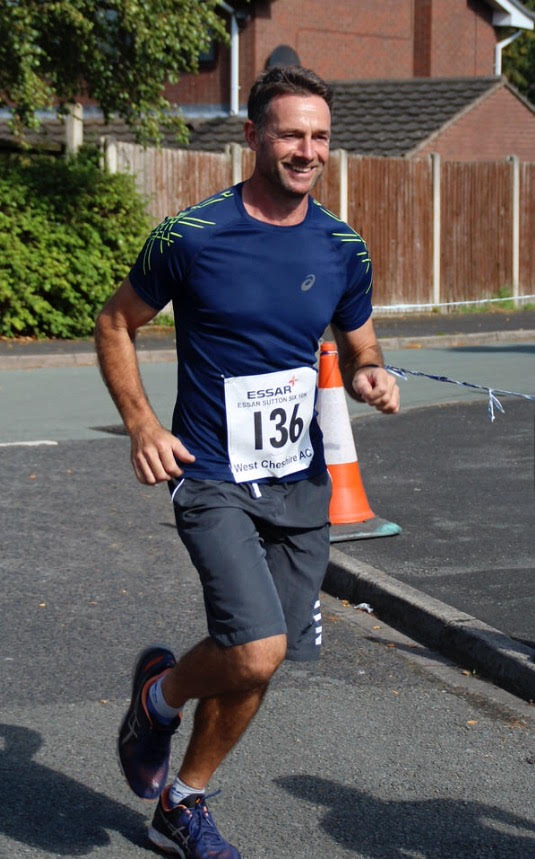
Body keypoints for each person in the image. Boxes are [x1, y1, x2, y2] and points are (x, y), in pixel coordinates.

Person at [95, 65, 400, 858]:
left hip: (299, 480)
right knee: (256, 644)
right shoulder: (192, 235)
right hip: (212, 476)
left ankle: (182, 798)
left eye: (320, 136)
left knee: (260, 664)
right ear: (253, 136)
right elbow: (115, 321)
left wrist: (368, 373)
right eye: (291, 134)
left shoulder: (341, 245)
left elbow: (359, 343)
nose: (307, 151)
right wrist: (142, 426)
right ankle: (159, 698)